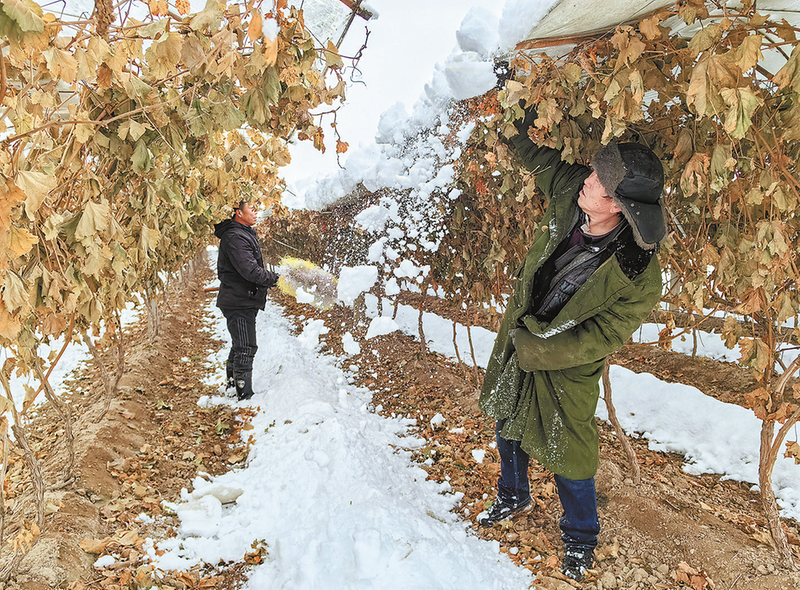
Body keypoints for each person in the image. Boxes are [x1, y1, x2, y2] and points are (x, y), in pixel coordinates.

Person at [477, 109, 665, 582]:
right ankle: (513, 493)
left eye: (600, 182)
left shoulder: (637, 274)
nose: (587, 182)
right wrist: (508, 112)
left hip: (565, 363)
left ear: (619, 204)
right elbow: (535, 158)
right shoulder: (571, 194)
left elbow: (603, 336)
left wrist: (538, 350)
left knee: (572, 452)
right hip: (522, 337)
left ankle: (580, 537)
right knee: (508, 419)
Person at [214, 200, 278, 400]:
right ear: (238, 212)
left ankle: (233, 385)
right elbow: (249, 270)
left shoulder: (242, 233)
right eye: (252, 209)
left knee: (240, 344)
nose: (256, 213)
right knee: (246, 346)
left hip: (242, 299)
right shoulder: (235, 237)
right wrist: (273, 278)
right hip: (238, 301)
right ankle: (243, 394)